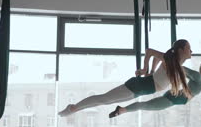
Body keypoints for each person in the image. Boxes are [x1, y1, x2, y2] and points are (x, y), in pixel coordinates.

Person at [58, 39, 193, 117]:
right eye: (189, 48)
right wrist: (145, 69)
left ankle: (74, 109)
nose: (191, 51)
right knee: (103, 99)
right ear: (181, 50)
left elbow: (156, 59)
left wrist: (151, 71)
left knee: (105, 101)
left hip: (139, 90)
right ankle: (73, 108)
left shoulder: (174, 65)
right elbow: (149, 52)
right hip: (137, 86)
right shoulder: (170, 62)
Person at [108, 62, 201, 118]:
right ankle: (122, 110)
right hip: (174, 98)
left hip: (175, 99)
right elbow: (182, 69)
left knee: (146, 105)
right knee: (146, 105)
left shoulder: (200, 79)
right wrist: (172, 66)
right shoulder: (198, 77)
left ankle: (122, 110)